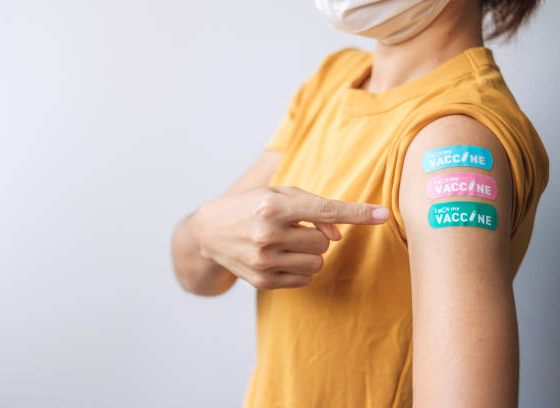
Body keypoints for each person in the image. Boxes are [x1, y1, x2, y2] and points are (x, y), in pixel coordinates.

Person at [171, 0, 549, 406]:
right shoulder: (334, 82)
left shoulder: (453, 140)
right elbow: (197, 274)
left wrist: (207, 232)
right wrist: (204, 231)